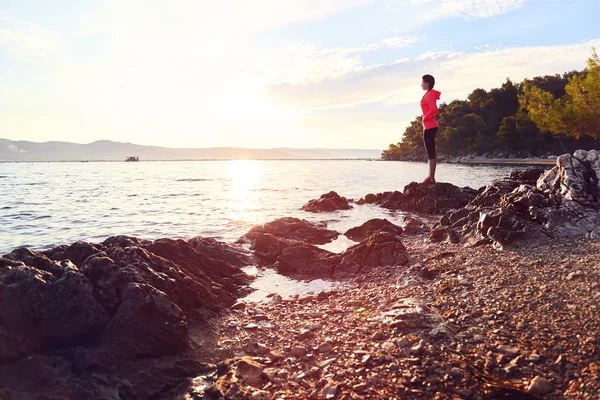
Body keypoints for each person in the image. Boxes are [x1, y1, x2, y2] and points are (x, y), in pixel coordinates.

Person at [420, 74, 441, 184]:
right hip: (429, 126)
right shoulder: (429, 94)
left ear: (427, 83)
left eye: (422, 82)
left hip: (430, 126)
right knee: (429, 152)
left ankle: (431, 178)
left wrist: (425, 117)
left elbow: (434, 110)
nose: (421, 84)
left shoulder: (429, 95)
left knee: (430, 151)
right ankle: (430, 177)